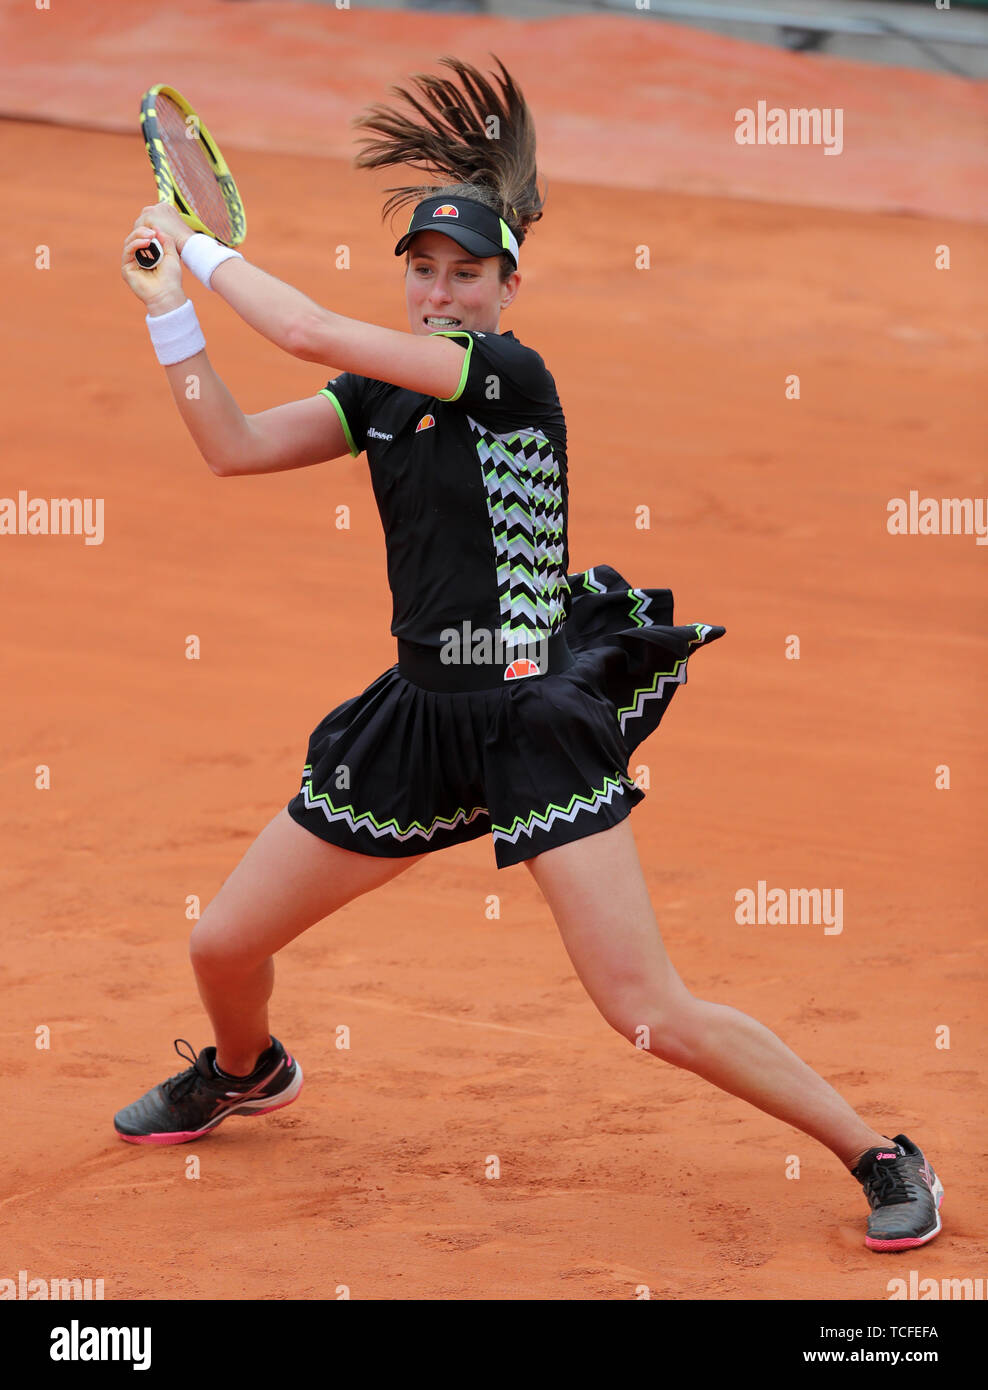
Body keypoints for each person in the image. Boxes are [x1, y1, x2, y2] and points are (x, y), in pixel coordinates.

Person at [115, 56, 942, 1253]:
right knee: (222, 944)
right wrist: (166, 309)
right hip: (417, 714)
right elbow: (232, 446)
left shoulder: (503, 378)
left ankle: (876, 1148)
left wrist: (196, 246)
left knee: (642, 1009)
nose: (442, 293)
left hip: (526, 716)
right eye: (424, 271)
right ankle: (246, 1068)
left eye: (468, 276)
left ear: (509, 287)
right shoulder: (381, 394)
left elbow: (293, 326)